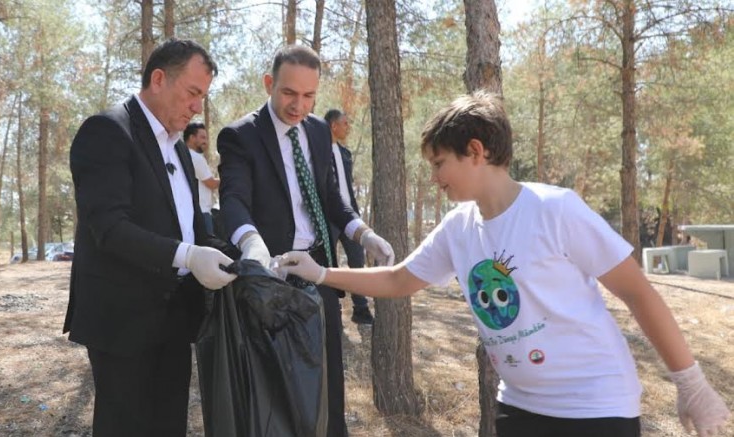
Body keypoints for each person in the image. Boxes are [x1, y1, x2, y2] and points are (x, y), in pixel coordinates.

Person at [277, 91, 731, 437]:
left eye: (440, 163)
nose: (434, 178)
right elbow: (398, 279)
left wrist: (691, 383)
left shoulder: (556, 210)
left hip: (595, 408)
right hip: (518, 407)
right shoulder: (459, 228)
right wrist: (321, 273)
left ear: (475, 151)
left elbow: (637, 292)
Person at [218, 44, 395, 437]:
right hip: (269, 278)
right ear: (269, 83)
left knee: (329, 383)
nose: (299, 106)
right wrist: (252, 244)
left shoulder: (318, 131)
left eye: (309, 96)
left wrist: (364, 234)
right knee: (276, 390)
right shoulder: (240, 136)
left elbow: (332, 200)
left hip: (318, 271)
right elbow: (233, 201)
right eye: (289, 93)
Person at [62, 39, 237, 437]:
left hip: (174, 318)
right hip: (122, 319)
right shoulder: (107, 131)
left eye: (203, 97)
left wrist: (242, 255)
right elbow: (109, 228)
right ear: (159, 79)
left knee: (168, 424)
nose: (197, 107)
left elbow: (190, 228)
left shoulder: (177, 147)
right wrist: (188, 256)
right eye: (193, 93)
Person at [324, 108, 373, 325]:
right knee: (329, 262)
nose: (348, 128)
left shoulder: (346, 154)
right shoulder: (318, 152)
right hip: (327, 217)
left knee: (357, 260)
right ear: (333, 125)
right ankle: (332, 310)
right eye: (345, 123)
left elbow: (348, 188)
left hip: (350, 217)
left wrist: (355, 213)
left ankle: (360, 309)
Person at [184, 122, 219, 236]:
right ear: (192, 138)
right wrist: (230, 178)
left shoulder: (182, 154)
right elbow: (211, 184)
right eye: (202, 137)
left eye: (207, 138)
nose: (206, 141)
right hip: (202, 212)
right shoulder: (195, 157)